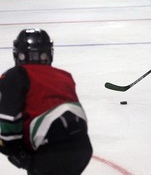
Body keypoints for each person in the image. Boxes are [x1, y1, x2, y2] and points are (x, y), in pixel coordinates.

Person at [0, 29, 93, 174]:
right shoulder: (65, 76)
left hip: (50, 149)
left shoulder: (14, 75)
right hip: (83, 147)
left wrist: (14, 152)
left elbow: (9, 124)